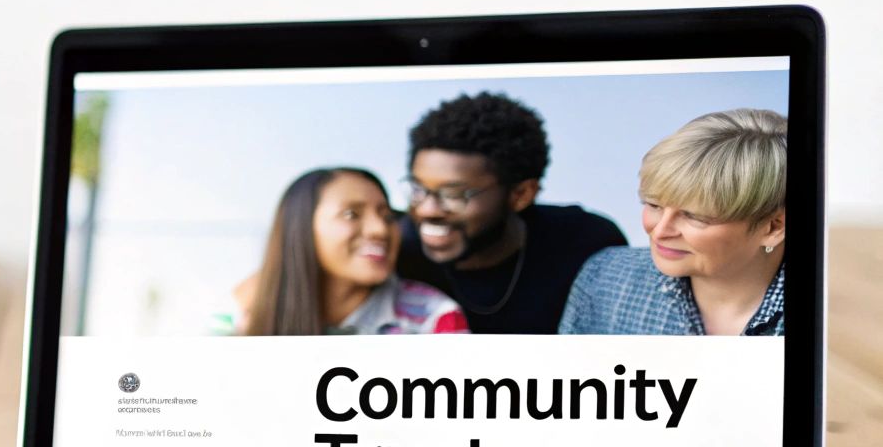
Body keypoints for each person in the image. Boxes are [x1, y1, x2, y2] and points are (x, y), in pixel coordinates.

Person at [396, 92, 627, 334]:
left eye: (454, 194)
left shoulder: (585, 243)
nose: (427, 209)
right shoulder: (397, 250)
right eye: (418, 189)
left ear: (521, 194)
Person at [560, 109, 787, 336]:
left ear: (774, 228)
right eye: (654, 205)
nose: (659, 232)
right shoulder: (604, 278)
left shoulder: (822, 312)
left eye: (694, 216)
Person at [238, 169, 468, 335]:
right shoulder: (242, 312)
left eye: (387, 216)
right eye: (351, 214)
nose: (380, 229)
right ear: (300, 228)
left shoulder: (435, 318)